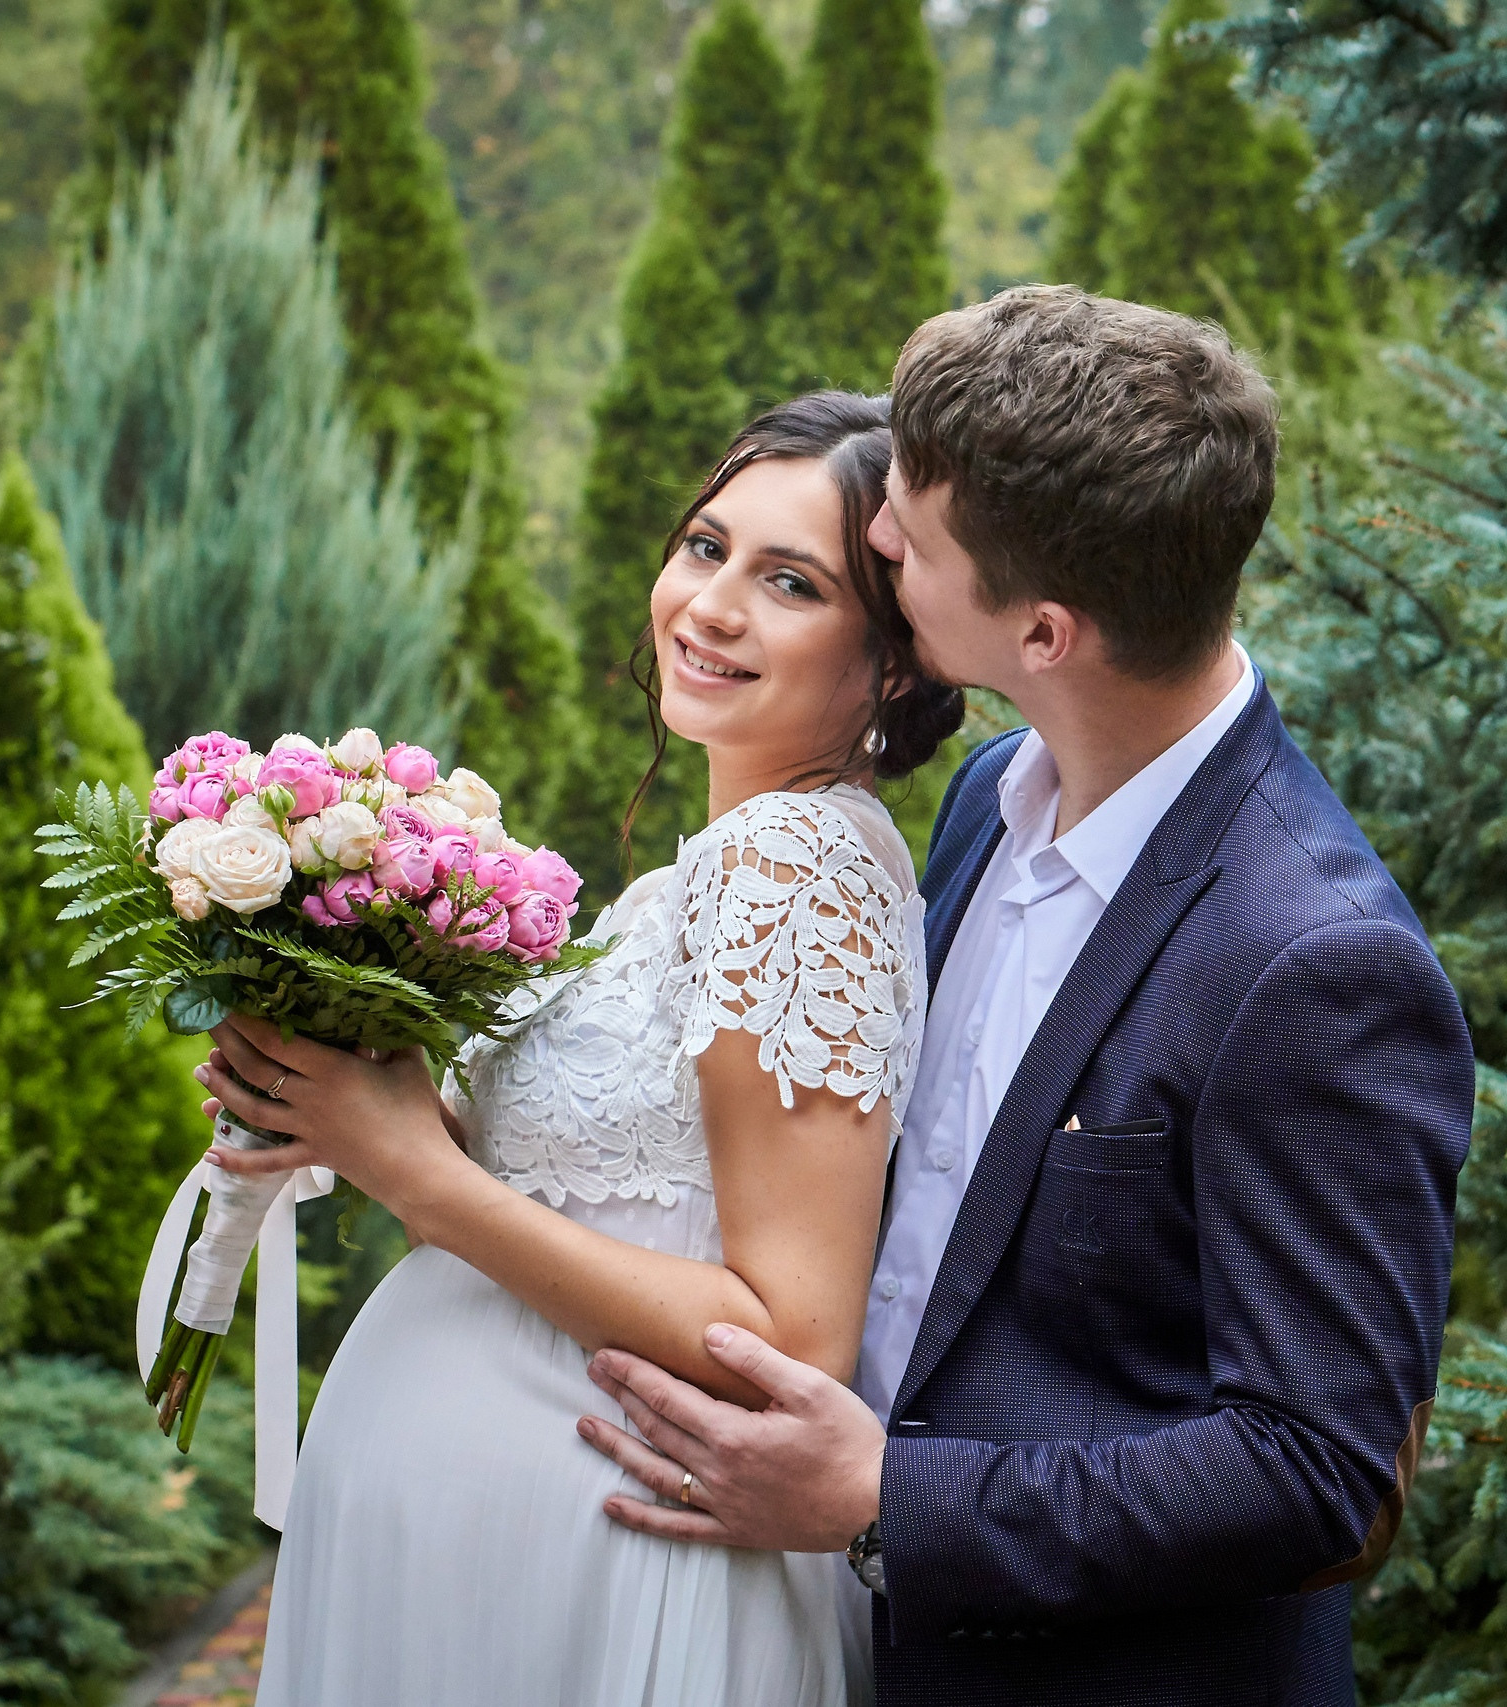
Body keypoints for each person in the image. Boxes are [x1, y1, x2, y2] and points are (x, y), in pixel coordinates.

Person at [577, 286, 1476, 1705]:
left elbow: (1322, 1474)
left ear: (1044, 634)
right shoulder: (990, 800)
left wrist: (893, 1496)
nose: (876, 534)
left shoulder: (1315, 964)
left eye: (911, 540)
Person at [198, 392, 963, 1706]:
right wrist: (342, 1075)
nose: (713, 605)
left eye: (791, 583)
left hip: (608, 1573)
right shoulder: (692, 879)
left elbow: (789, 1331)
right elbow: (609, 1191)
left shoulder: (794, 862)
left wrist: (412, 1176)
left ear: (896, 661)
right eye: (706, 547)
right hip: (490, 1555)